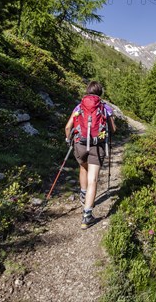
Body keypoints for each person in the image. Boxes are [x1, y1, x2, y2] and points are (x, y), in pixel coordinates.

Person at [65, 81, 116, 229]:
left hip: (80, 144)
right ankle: (87, 215)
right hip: (97, 146)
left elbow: (68, 127)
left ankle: (83, 193)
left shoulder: (79, 106)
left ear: (87, 91)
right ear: (100, 93)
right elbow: (113, 128)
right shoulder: (105, 107)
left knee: (83, 168)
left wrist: (68, 140)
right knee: (93, 179)